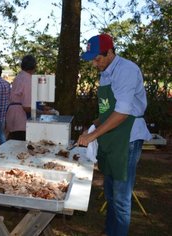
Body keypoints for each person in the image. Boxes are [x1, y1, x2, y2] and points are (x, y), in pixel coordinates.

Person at [78, 34, 152, 236]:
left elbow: (122, 112)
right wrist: (92, 126)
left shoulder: (126, 70)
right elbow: (107, 111)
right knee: (110, 193)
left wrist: (92, 137)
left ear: (110, 52)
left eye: (98, 58)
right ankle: (111, 231)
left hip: (127, 137)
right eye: (92, 59)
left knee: (120, 198)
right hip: (112, 136)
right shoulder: (105, 72)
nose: (95, 63)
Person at [6, 55, 37, 141]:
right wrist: (41, 111)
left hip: (11, 114)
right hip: (20, 118)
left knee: (12, 142)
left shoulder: (19, 76)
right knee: (19, 146)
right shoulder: (28, 79)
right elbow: (26, 107)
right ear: (34, 66)